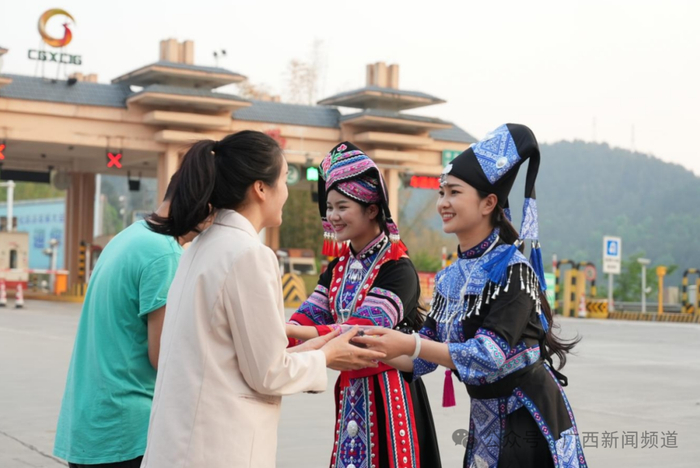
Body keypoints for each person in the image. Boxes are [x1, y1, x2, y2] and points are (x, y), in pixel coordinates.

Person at [140, 131, 384, 468]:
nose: (286, 192)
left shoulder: (202, 246)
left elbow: (237, 359)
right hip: (216, 450)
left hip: (183, 444)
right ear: (260, 189)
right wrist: (327, 355)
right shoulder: (249, 254)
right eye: (283, 179)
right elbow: (269, 373)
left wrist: (316, 348)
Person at [353, 124, 588, 468]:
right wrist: (369, 346)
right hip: (484, 417)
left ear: (488, 203)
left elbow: (488, 355)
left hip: (528, 415)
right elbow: (424, 356)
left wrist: (407, 343)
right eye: (441, 193)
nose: (443, 203)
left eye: (454, 192)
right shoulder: (449, 277)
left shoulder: (513, 270)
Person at [286, 142, 441, 468]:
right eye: (329, 207)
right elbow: (307, 317)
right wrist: (276, 335)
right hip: (352, 392)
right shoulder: (337, 268)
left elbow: (360, 330)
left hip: (392, 398)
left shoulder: (397, 268)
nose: (332, 216)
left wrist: (283, 330)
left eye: (342, 207)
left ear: (372, 210)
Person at [54, 178, 203, 468]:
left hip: (89, 426)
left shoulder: (129, 236)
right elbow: (162, 356)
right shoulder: (164, 253)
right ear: (203, 205)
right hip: (125, 433)